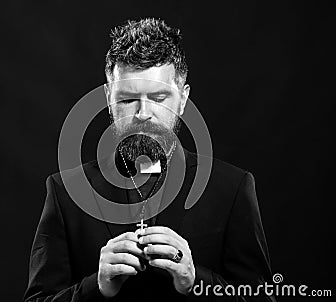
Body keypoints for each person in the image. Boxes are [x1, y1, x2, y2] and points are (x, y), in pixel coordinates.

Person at [23, 18, 275, 301]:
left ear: (182, 99)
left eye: (158, 97)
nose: (143, 113)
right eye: (128, 99)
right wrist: (97, 287)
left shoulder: (232, 188)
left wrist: (194, 280)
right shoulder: (64, 192)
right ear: (108, 98)